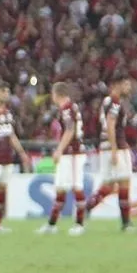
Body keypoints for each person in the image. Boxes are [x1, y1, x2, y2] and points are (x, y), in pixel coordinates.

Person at [86, 77, 137, 231]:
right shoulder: (113, 102)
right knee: (122, 182)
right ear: (116, 85)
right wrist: (114, 149)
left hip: (112, 147)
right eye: (126, 84)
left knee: (110, 185)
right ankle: (125, 223)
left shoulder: (110, 102)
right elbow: (110, 124)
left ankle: (86, 209)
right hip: (115, 148)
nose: (129, 87)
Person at [37, 83, 87, 235]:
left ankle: (79, 224)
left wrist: (59, 149)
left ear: (56, 94)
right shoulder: (70, 108)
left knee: (76, 186)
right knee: (60, 188)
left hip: (72, 153)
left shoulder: (66, 109)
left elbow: (70, 130)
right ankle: (52, 225)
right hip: (69, 153)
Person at [0, 84, 31, 233]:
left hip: (7, 157)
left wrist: (22, 153)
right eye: (3, 91)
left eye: (8, 91)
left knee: (3, 189)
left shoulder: (9, 113)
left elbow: (11, 135)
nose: (6, 94)